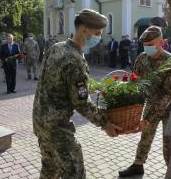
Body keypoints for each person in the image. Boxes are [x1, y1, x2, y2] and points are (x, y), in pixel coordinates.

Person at [33, 9, 122, 179]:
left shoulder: (56, 47)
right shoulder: (75, 59)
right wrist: (105, 123)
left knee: (49, 169)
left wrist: (91, 88)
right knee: (75, 174)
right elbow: (80, 103)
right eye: (97, 33)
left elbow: (56, 83)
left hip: (40, 122)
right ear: (83, 30)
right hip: (57, 128)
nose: (99, 37)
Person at [118, 26, 171, 177]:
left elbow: (168, 96)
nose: (147, 48)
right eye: (145, 45)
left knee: (168, 144)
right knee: (145, 137)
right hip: (151, 103)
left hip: (170, 109)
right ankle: (138, 165)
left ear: (161, 42)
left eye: (151, 44)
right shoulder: (142, 58)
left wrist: (147, 118)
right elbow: (134, 81)